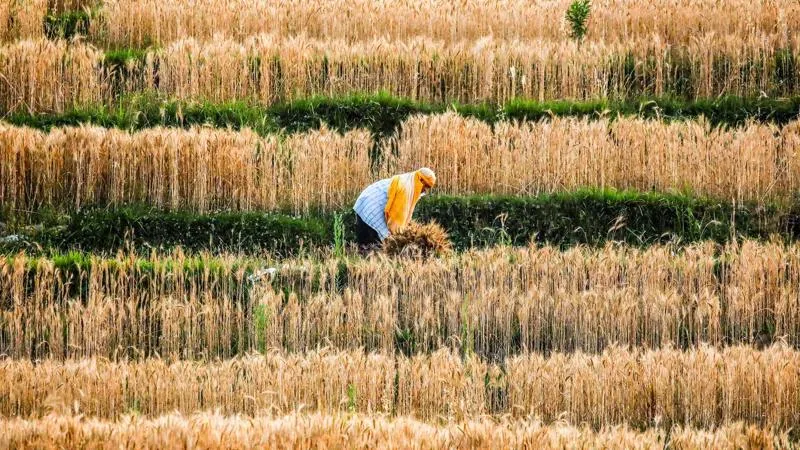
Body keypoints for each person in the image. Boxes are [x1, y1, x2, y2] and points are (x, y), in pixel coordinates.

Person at [353, 167, 436, 250]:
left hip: (367, 202)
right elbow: (395, 218)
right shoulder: (405, 188)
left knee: (371, 245)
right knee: (374, 245)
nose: (425, 190)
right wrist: (398, 237)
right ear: (420, 180)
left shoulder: (410, 183)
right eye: (426, 186)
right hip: (370, 205)